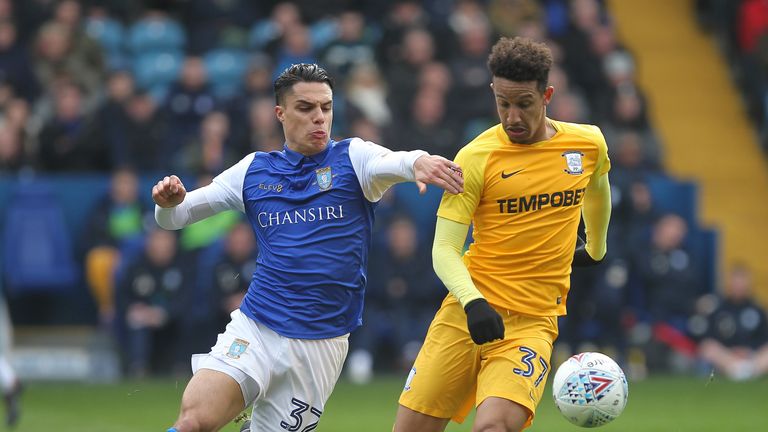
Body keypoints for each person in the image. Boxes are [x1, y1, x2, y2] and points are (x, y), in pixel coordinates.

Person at [154, 63, 464, 432]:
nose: (319, 118)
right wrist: (167, 202)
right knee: (193, 421)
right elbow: (174, 218)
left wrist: (418, 162)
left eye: (326, 107)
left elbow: (392, 160)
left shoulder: (353, 158)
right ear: (280, 114)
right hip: (257, 326)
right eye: (305, 108)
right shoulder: (253, 171)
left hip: (320, 347)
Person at [393, 37, 612, 432]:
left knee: (493, 428)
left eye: (524, 103)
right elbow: (444, 248)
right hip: (467, 312)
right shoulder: (476, 157)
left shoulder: (587, 143)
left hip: (532, 321)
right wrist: (473, 301)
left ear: (547, 95)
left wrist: (596, 246)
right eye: (503, 103)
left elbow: (597, 189)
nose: (512, 116)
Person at [698, 264, 768, 381]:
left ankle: (744, 371)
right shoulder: (718, 308)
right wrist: (732, 351)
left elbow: (764, 338)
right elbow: (710, 337)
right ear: (729, 283)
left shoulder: (757, 309)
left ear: (748, 284)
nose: (739, 285)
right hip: (728, 356)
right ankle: (741, 371)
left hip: (752, 356)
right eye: (736, 281)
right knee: (708, 347)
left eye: (742, 281)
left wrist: (748, 350)